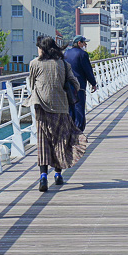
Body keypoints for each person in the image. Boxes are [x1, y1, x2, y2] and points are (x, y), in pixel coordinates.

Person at [26, 36, 88, 192]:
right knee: (60, 140)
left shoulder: (34, 63)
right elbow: (75, 83)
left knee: (43, 141)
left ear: (43, 49)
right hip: (61, 106)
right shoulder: (63, 64)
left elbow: (32, 84)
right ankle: (58, 175)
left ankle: (43, 177)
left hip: (41, 107)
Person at [63, 35, 98, 131]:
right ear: (79, 43)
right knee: (79, 108)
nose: (85, 44)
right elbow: (88, 70)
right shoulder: (82, 54)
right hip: (79, 85)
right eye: (84, 42)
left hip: (67, 85)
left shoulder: (66, 53)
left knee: (70, 108)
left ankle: (70, 129)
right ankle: (78, 130)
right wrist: (93, 83)